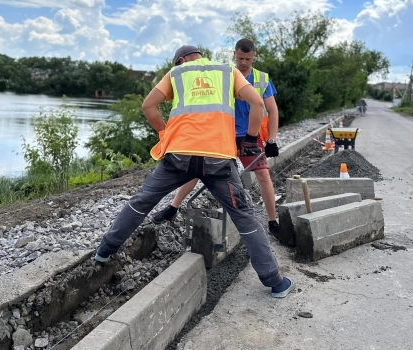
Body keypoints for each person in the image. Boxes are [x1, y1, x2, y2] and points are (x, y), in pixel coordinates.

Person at [94, 45, 294, 298]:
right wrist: (251, 139)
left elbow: (148, 106)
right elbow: (257, 104)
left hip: (179, 156)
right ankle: (275, 282)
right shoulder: (227, 72)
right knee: (245, 216)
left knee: (141, 202)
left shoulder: (176, 74)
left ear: (180, 61)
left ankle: (104, 251)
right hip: (219, 159)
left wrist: (165, 133)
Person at [151, 38, 282, 238]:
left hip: (250, 136)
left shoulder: (262, 79)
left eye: (247, 59)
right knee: (196, 169)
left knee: (263, 174)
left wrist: (271, 140)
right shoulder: (224, 73)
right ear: (234, 55)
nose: (244, 62)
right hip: (223, 134)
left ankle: (273, 222)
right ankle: (173, 207)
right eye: (240, 58)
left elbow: (272, 110)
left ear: (253, 56)